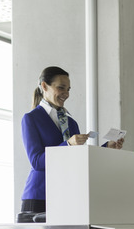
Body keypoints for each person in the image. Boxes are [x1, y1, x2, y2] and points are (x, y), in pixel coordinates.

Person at [21, 66, 124, 213]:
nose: (66, 94)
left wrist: (108, 147)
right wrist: (68, 144)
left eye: (69, 89)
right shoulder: (31, 119)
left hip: (67, 195)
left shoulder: (71, 123)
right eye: (61, 88)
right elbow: (37, 162)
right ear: (44, 86)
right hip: (40, 196)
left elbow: (80, 161)